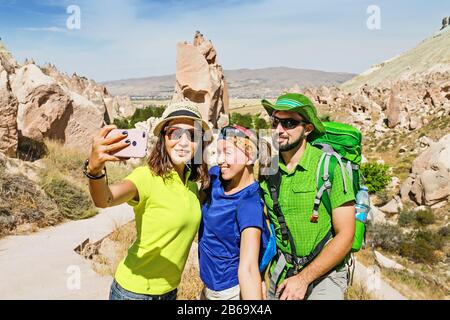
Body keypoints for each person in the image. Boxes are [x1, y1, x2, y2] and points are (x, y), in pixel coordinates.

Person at [84, 101, 210, 300]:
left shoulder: (191, 184)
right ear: (163, 139)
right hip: (134, 292)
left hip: (169, 292)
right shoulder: (146, 177)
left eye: (193, 135)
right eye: (175, 133)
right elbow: (105, 199)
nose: (184, 142)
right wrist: (94, 170)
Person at [259, 93, 356, 300]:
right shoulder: (268, 170)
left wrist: (303, 279)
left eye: (289, 123)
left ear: (308, 129)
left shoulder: (329, 167)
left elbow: (346, 235)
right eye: (275, 121)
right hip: (283, 272)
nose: (279, 130)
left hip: (326, 275)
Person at [198, 125, 270, 300]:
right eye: (218, 152)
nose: (220, 160)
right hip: (208, 287)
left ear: (249, 157)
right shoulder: (216, 177)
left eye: (227, 152)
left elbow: (248, 268)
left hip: (229, 292)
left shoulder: (249, 204)